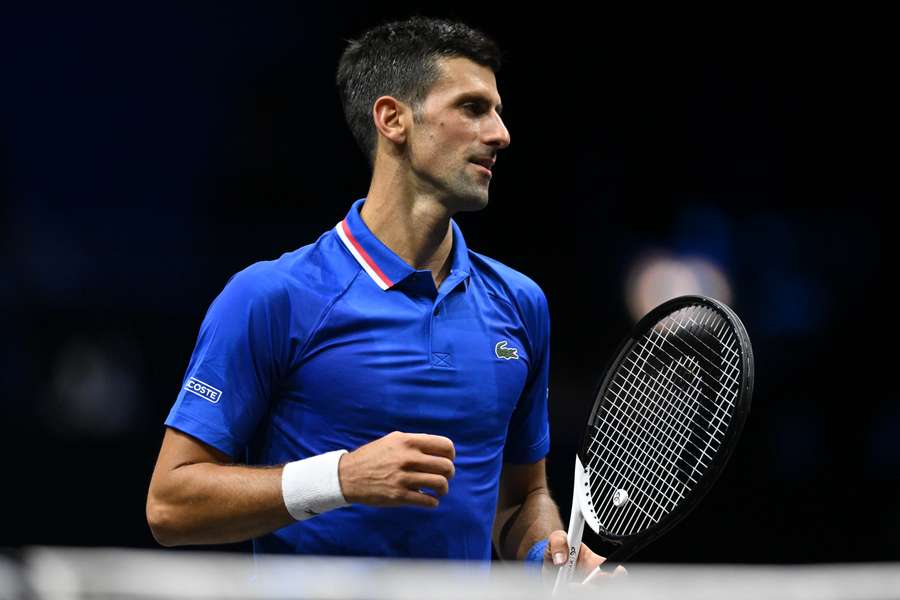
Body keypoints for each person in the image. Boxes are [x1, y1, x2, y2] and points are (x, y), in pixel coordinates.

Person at [146, 15, 622, 586]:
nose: (500, 134)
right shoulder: (271, 296)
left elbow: (520, 500)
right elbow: (171, 505)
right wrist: (342, 478)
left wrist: (546, 553)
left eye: (496, 110)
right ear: (393, 119)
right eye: (472, 108)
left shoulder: (521, 304)